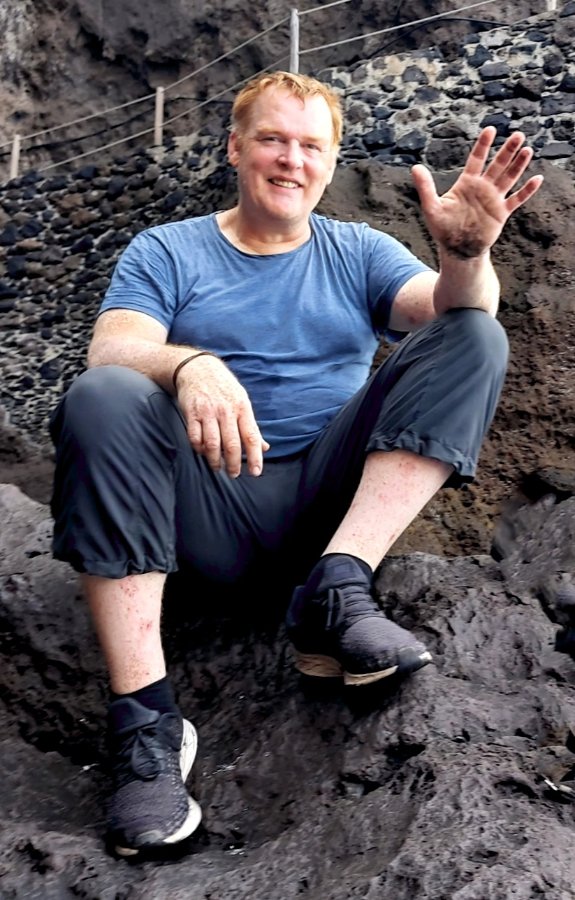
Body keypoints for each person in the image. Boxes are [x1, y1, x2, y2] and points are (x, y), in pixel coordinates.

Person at [49, 70, 543, 856]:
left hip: (323, 510)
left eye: (310, 146)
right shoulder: (169, 249)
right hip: (205, 515)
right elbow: (110, 348)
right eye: (273, 140)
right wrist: (189, 364)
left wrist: (465, 253)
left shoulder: (358, 250)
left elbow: (454, 312)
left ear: (331, 160)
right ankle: (145, 724)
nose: (290, 160)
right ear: (234, 148)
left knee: (476, 333)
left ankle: (336, 591)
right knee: (103, 394)